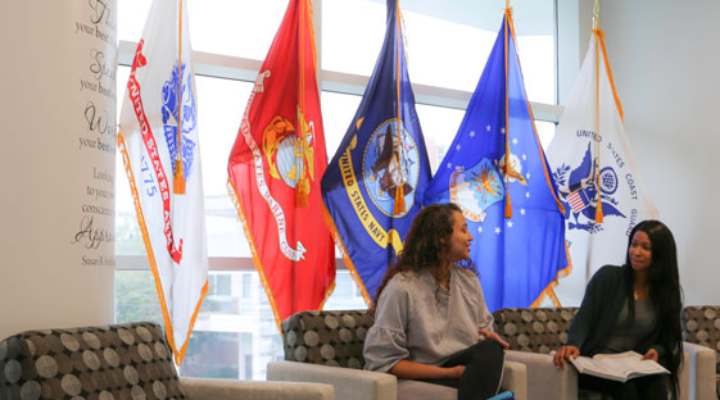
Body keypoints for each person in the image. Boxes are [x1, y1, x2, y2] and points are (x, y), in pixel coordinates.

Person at [363, 203, 509, 400]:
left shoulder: (469, 281)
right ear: (441, 237)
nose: (470, 237)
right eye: (463, 230)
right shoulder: (402, 287)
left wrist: (490, 338)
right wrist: (450, 373)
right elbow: (383, 362)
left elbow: (482, 338)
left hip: (463, 369)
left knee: (491, 350)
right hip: (422, 375)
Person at [553, 220, 683, 400]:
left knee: (657, 386)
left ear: (660, 254)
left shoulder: (667, 293)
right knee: (627, 390)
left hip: (634, 367)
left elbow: (669, 337)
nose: (636, 251)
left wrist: (657, 350)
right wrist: (573, 343)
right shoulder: (608, 277)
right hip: (596, 364)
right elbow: (585, 317)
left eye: (645, 247)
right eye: (634, 244)